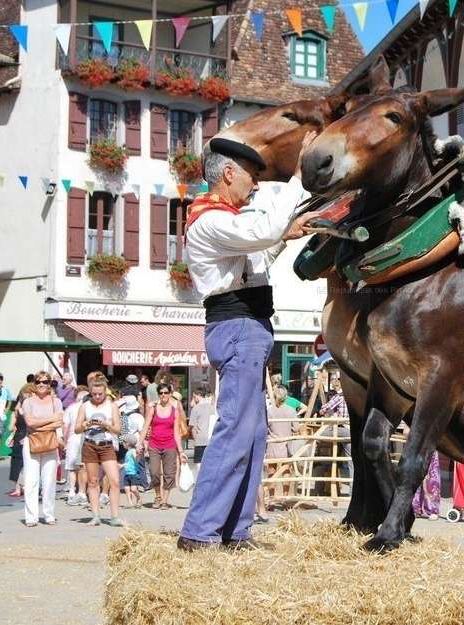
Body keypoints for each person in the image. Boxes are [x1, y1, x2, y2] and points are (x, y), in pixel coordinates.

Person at [177, 135, 317, 551]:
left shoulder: (220, 218)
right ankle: (200, 531)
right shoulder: (211, 220)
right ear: (228, 173)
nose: (254, 185)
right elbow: (261, 231)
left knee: (252, 434)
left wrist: (283, 237)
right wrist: (296, 180)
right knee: (237, 430)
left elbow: (255, 259)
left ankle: (234, 530)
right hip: (238, 325)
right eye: (251, 177)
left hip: (247, 324)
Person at [74, 379, 124, 527]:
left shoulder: (112, 406)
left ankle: (114, 516)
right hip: (90, 445)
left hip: (107, 445)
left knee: (114, 480)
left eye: (100, 394)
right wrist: (85, 424)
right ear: (90, 392)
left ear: (105, 391)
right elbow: (76, 429)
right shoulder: (85, 406)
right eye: (94, 394)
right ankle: (95, 515)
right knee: (93, 481)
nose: (97, 397)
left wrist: (107, 425)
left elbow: (118, 430)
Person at [22, 371, 64, 527]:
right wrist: (50, 420)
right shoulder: (28, 402)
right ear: (34, 383)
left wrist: (39, 423)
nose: (41, 384)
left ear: (50, 384)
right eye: (38, 381)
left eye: (45, 382)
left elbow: (59, 422)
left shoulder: (56, 402)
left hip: (50, 442)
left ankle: (49, 514)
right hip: (31, 442)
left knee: (49, 480)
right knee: (31, 480)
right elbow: (29, 423)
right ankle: (31, 517)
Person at [139, 383, 183, 510]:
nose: (163, 395)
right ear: (158, 394)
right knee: (154, 473)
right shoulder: (153, 408)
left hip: (169, 445)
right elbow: (146, 426)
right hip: (154, 445)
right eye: (161, 393)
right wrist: (139, 443)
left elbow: (176, 432)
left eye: (166, 392)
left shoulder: (174, 410)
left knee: (169, 474)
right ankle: (158, 495)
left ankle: (164, 500)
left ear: (170, 394)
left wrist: (180, 451)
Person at [266, 386, 297, 500]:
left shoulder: (270, 410)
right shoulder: (291, 410)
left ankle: (271, 499)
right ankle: (284, 498)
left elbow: (265, 427)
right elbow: (297, 428)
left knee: (271, 471)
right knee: (286, 471)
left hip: (273, 444)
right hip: (286, 445)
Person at [6, 383, 34, 497]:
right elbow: (11, 426)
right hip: (24, 435)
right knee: (21, 462)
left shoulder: (19, 408)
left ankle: (20, 488)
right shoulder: (21, 408)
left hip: (23, 435)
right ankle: (20, 487)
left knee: (20, 462)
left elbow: (10, 426)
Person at [64, 387, 89, 506]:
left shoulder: (70, 408)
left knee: (71, 467)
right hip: (84, 438)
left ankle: (71, 491)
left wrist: (64, 441)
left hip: (73, 438)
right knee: (82, 467)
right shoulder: (88, 408)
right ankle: (82, 492)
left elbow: (66, 426)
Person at [189, 388, 218, 464]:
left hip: (200, 441)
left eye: (194, 397)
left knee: (198, 465)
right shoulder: (212, 407)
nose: (193, 399)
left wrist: (196, 439)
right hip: (211, 440)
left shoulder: (195, 409)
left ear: (198, 395)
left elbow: (192, 427)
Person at [412, 451, 441, 520]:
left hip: (431, 446)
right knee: (415, 476)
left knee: (432, 478)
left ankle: (433, 509)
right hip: (418, 447)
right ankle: (415, 508)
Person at [120, 434, 143, 508]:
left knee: (133, 489)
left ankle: (139, 498)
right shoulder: (127, 452)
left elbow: (136, 459)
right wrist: (122, 466)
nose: (122, 444)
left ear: (128, 443)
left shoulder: (133, 451)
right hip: (127, 473)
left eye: (123, 442)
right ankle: (130, 503)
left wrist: (138, 455)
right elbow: (128, 463)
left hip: (133, 473)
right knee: (126, 489)